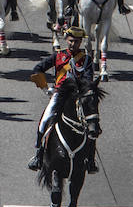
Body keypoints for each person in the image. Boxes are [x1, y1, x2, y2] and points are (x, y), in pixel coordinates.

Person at [27, 26, 98, 173]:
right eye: (71, 41)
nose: (73, 44)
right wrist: (45, 87)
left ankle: (90, 160)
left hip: (78, 97)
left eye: (77, 42)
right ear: (66, 40)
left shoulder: (86, 60)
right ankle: (39, 154)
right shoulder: (58, 56)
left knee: (91, 124)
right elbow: (38, 69)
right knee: (44, 121)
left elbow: (88, 79)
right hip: (59, 95)